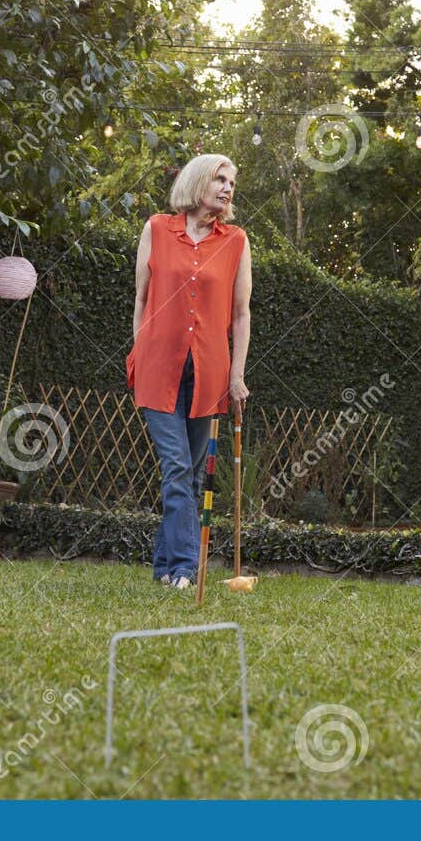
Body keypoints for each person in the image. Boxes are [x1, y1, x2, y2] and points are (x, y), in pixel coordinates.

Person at [127, 154, 251, 590]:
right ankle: (184, 569)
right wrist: (139, 352)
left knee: (192, 474)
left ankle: (164, 567)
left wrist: (237, 375)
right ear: (197, 182)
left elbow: (241, 315)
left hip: (210, 372)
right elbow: (142, 299)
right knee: (178, 466)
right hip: (158, 367)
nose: (228, 187)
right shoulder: (157, 229)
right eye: (220, 178)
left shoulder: (236, 241)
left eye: (232, 181)